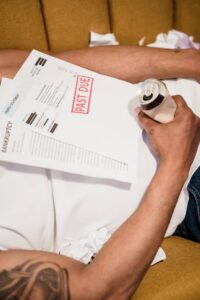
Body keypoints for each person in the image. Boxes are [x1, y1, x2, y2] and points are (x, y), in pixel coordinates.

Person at [0, 46, 199, 300]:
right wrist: (176, 161)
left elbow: (54, 65)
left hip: (186, 93)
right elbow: (96, 290)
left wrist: (191, 61)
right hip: (189, 182)